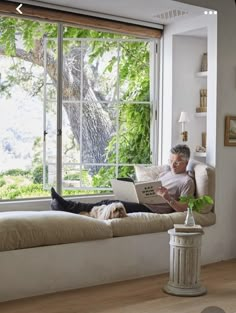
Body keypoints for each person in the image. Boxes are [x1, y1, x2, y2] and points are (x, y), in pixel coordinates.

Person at [51, 144, 195, 215]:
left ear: (186, 162)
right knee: (110, 199)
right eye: (170, 161)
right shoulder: (167, 173)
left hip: (151, 209)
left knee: (109, 203)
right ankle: (68, 206)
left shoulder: (186, 182)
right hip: (144, 201)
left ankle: (68, 207)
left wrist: (168, 198)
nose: (172, 165)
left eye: (176, 162)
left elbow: (183, 209)